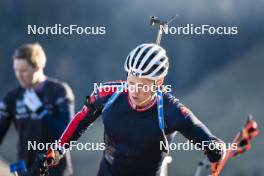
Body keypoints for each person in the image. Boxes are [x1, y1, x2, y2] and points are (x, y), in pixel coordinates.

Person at [48, 43, 226, 176]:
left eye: (142, 85)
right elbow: (81, 120)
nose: (134, 90)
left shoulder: (171, 110)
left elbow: (209, 140)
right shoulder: (108, 94)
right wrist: (59, 148)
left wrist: (215, 150)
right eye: (131, 82)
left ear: (158, 83)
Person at [0, 43, 74, 176]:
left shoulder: (60, 91)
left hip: (56, 170)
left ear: (38, 67)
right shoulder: (12, 97)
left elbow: (68, 134)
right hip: (26, 170)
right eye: (16, 70)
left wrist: (41, 111)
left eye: (23, 70)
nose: (18, 75)